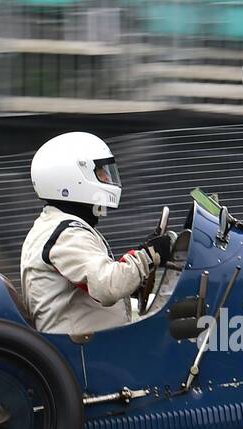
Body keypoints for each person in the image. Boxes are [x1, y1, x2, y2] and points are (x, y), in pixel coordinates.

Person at [20, 132, 172, 334]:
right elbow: (108, 287)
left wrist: (135, 281)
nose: (108, 178)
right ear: (71, 178)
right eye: (101, 172)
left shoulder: (54, 227)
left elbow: (91, 286)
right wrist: (148, 256)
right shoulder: (66, 234)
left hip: (89, 348)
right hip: (83, 356)